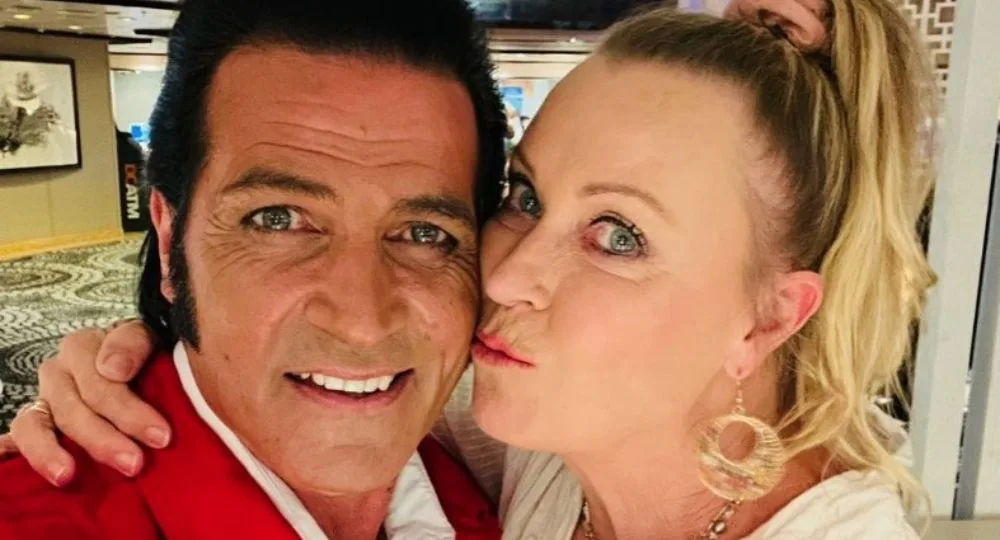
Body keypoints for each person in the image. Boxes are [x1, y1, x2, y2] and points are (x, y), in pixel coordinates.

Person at [4, 0, 936, 537]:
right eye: (522, 197)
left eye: (619, 235)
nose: (507, 276)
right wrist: (124, 358)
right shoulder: (520, 451)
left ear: (769, 318)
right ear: (169, 241)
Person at [0, 0, 509, 538]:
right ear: (170, 241)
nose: (362, 322)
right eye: (277, 219)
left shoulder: (494, 474)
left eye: (425, 233)